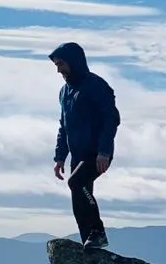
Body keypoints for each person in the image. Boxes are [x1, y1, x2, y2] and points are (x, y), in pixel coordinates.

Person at [49, 42, 120, 250]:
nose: (58, 69)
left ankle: (97, 232)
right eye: (56, 65)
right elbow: (64, 126)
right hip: (77, 155)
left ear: (73, 61)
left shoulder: (95, 85)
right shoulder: (64, 92)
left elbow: (111, 119)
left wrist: (104, 151)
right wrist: (59, 157)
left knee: (77, 184)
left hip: (96, 152)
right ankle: (88, 242)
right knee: (78, 196)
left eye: (61, 64)